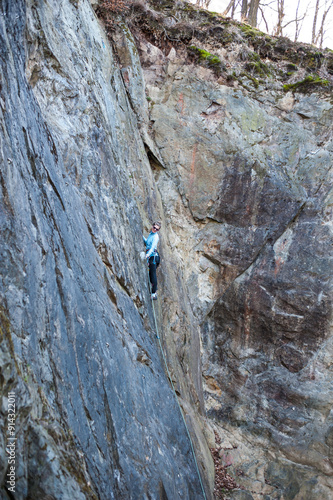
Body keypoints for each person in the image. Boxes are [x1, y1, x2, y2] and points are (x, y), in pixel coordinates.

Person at [141, 221, 161, 300]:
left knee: (152, 274)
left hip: (154, 257)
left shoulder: (156, 237)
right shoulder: (151, 234)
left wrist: (148, 255)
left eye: (157, 229)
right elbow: (147, 243)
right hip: (151, 256)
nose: (155, 229)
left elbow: (152, 247)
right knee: (150, 274)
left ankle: (154, 293)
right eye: (154, 227)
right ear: (152, 226)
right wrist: (141, 236)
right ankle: (153, 291)